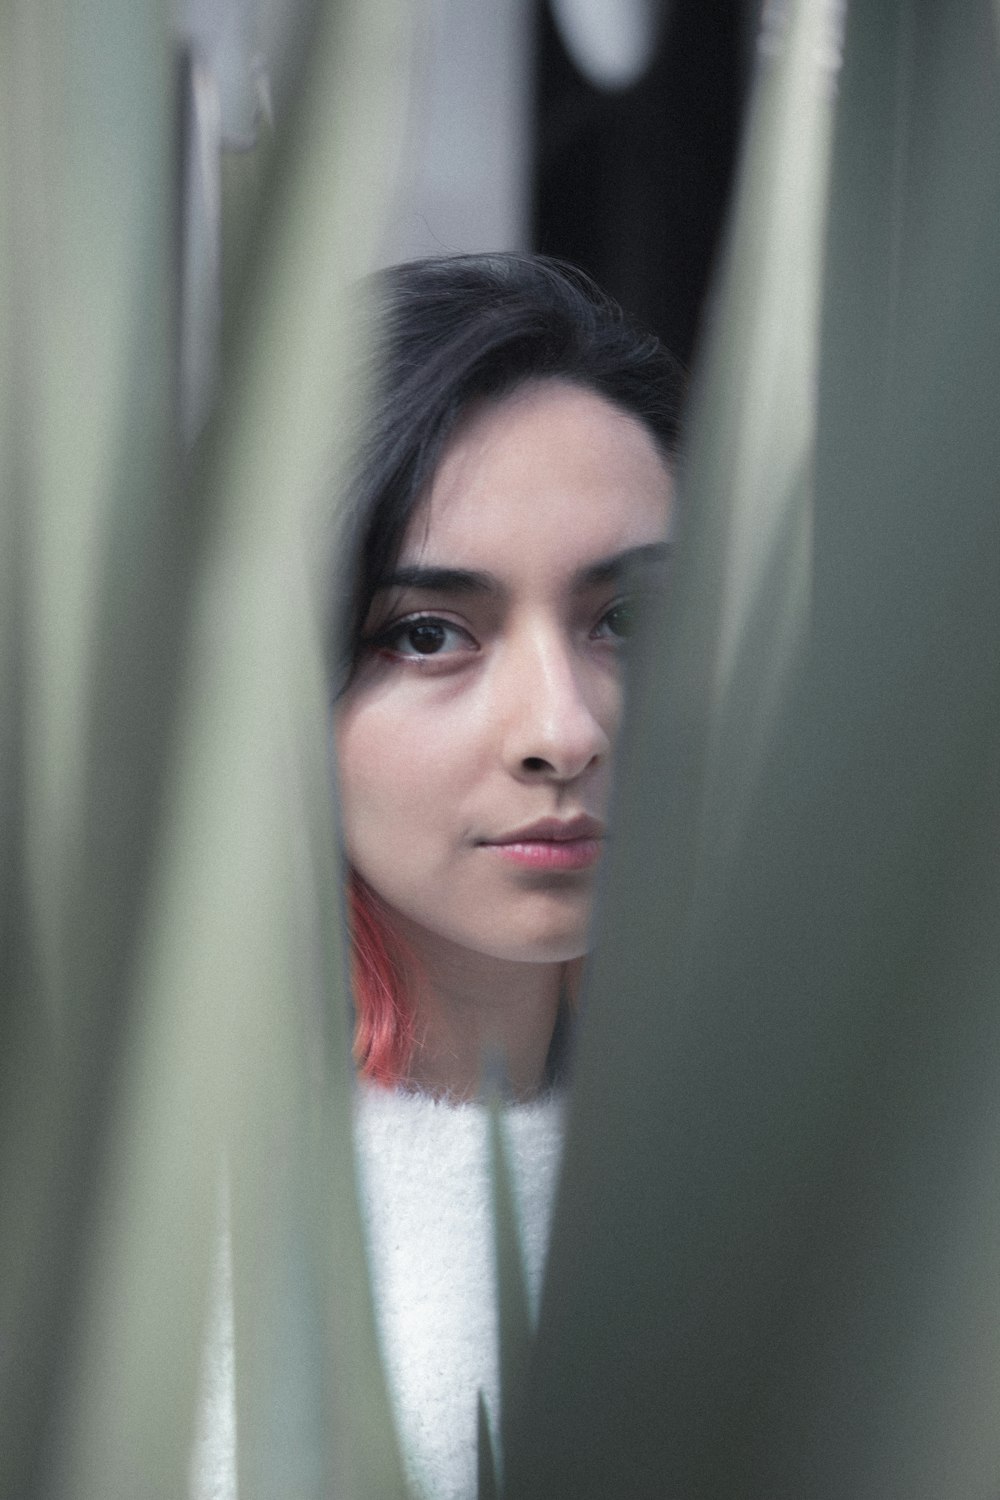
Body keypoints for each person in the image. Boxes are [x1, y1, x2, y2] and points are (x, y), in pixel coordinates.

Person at [333, 252, 684, 1499]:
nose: (565, 729)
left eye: (624, 622)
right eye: (430, 634)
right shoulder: (135, 1224)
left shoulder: (780, 1167)